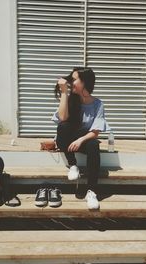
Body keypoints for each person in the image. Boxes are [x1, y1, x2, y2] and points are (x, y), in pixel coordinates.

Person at [51, 67, 111, 209]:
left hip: (82, 140)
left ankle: (91, 192)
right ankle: (73, 165)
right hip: (67, 139)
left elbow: (95, 132)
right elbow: (62, 118)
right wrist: (64, 93)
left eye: (75, 79)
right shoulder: (71, 99)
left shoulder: (98, 104)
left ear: (84, 82)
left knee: (93, 145)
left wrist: (80, 140)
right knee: (63, 127)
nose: (72, 82)